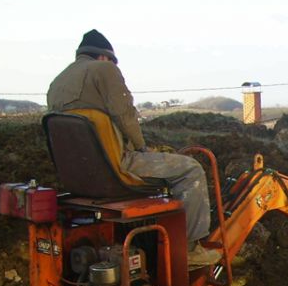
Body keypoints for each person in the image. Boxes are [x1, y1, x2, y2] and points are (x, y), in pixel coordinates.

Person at [47, 29, 219, 268]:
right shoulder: (104, 70)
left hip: (80, 178)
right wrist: (141, 147)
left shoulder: (57, 82)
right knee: (191, 169)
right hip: (115, 166)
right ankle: (189, 249)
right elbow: (125, 114)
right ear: (105, 57)